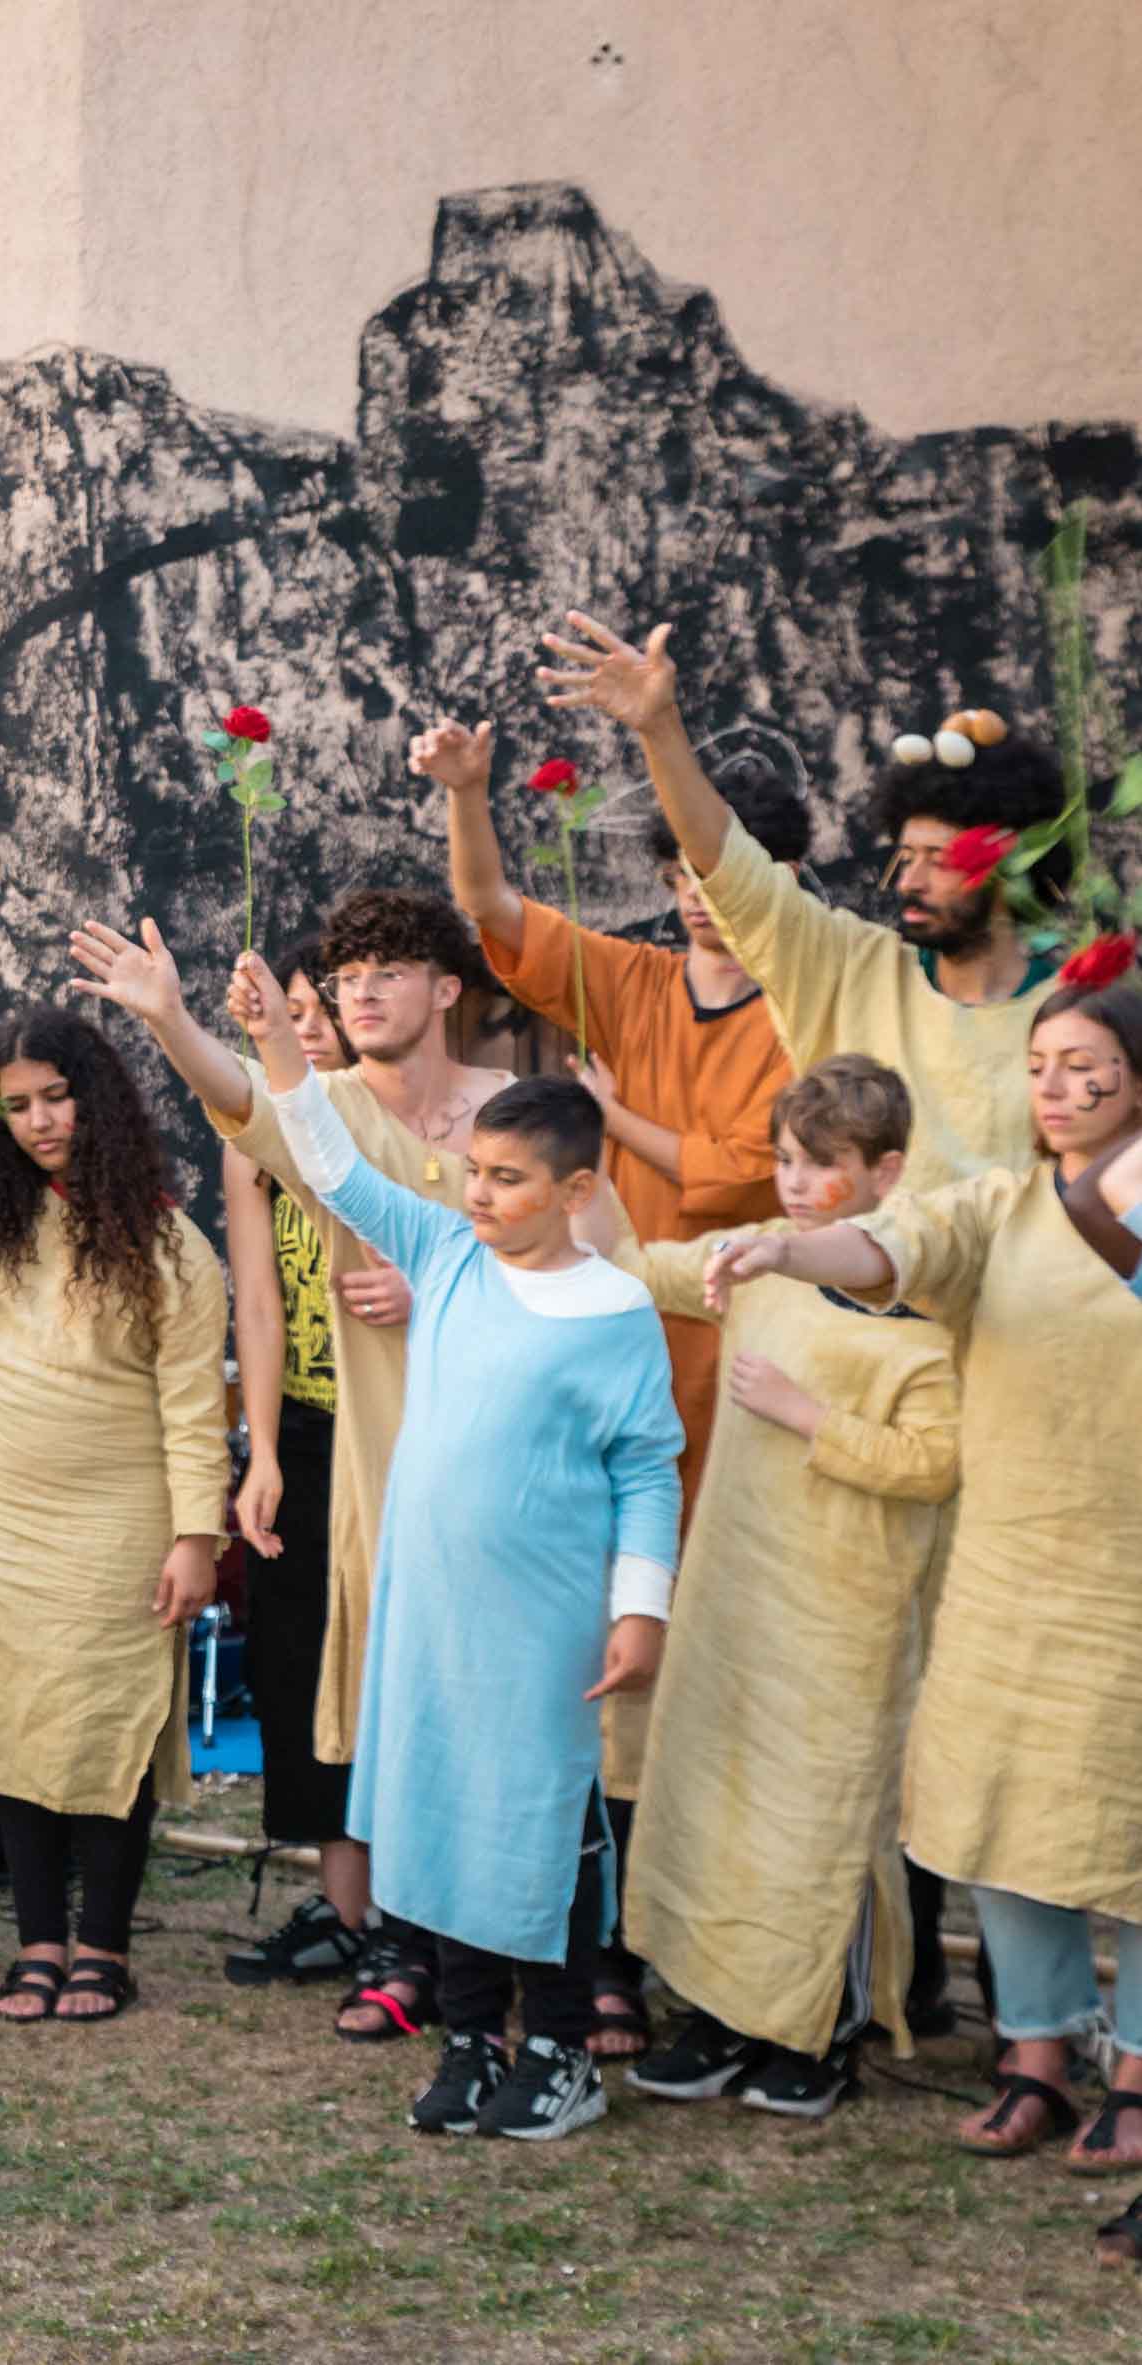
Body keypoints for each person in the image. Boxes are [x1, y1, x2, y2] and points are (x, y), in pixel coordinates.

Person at [73, 888, 558, 2045]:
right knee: (357, 1686)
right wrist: (170, 1020)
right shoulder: (323, 1110)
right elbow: (249, 1100)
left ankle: (515, 1954)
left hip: (494, 1457)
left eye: (388, 970)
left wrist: (448, 1289)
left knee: (477, 1699)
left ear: (449, 987)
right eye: (347, 978)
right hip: (349, 1442)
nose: (362, 993)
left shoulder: (517, 1115)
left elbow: (583, 1267)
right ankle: (397, 1939)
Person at [223, 943, 680, 2142]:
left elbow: (645, 1465)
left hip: (545, 1622)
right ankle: (474, 2036)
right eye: (474, 1171)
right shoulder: (443, 1249)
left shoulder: (615, 1307)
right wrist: (273, 1041)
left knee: (536, 1822)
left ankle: (561, 2045)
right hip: (430, 1609)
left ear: (576, 1193)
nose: (478, 1193)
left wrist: (641, 1609)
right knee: (436, 1815)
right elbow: (329, 1161)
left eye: (508, 1179)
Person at [698, 971, 1142, 2202]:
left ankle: (1139, 2066)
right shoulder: (998, 1203)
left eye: (1085, 1065)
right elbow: (895, 1242)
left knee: (1130, 1816)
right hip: (1008, 1562)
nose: (1056, 1087)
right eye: (1039, 1065)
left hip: (1130, 1568)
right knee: (998, 1811)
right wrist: (785, 1245)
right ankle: (1038, 2050)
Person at [0, 985, 229, 2024]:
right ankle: (36, 1944)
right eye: (16, 1104)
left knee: (104, 1729)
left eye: (57, 1097)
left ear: (96, 1099)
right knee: (13, 1726)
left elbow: (194, 1409)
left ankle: (102, 1947)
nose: (39, 1121)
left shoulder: (172, 1248)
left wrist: (196, 1538)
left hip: (117, 1522)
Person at [606, 1055, 957, 2116]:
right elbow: (644, 1267)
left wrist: (810, 1417)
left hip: (849, 1612)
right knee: (718, 1799)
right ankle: (720, 2008)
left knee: (823, 1818)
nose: (796, 1185)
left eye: (821, 1165)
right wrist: (578, 1168)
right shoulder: (757, 1262)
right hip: (734, 1592)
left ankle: (818, 2026)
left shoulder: (928, 1315)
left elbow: (934, 1463)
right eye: (786, 1161)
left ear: (886, 1173)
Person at [541, 613, 1068, 1189]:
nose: (909, 882)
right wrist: (659, 728)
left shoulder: (1071, 1016)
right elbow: (729, 867)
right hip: (850, 1252)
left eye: (938, 860)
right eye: (904, 857)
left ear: (1011, 866)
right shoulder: (847, 964)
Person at [425, 714, 807, 1497]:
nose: (698, 893)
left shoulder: (802, 1016)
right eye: (682, 872)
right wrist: (465, 792)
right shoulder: (634, 980)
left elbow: (741, 1173)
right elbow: (487, 902)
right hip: (614, 1313)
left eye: (715, 871)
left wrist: (615, 1118)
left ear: (781, 875)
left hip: (738, 1323)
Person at [218, 943, 370, 1989]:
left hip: (398, 1425)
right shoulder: (255, 1138)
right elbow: (259, 1303)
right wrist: (262, 1449)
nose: (306, 1027)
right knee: (297, 1653)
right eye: (290, 1011)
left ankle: (418, 1910)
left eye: (319, 1010)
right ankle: (346, 1906)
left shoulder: (386, 1121)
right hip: (307, 1425)